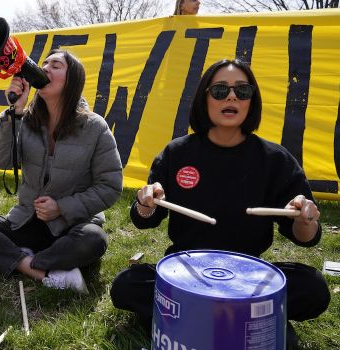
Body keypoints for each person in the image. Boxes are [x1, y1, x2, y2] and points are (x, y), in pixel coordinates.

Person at [109, 59, 330, 348]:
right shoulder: (177, 152)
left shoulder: (275, 160)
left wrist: (306, 220)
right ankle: (247, 318)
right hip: (187, 271)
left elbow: (306, 239)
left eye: (242, 90)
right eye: (220, 90)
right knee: (126, 285)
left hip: (248, 278)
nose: (231, 97)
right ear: (205, 99)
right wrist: (146, 203)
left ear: (252, 101)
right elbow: (144, 220)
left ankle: (195, 314)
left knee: (314, 288)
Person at [0, 49, 123, 293]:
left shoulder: (95, 126)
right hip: (26, 221)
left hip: (70, 226)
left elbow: (110, 187)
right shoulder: (26, 120)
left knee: (94, 240)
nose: (45, 68)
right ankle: (39, 269)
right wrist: (14, 112)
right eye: (44, 64)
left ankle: (6, 258)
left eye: (56, 65)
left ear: (73, 79)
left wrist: (61, 207)